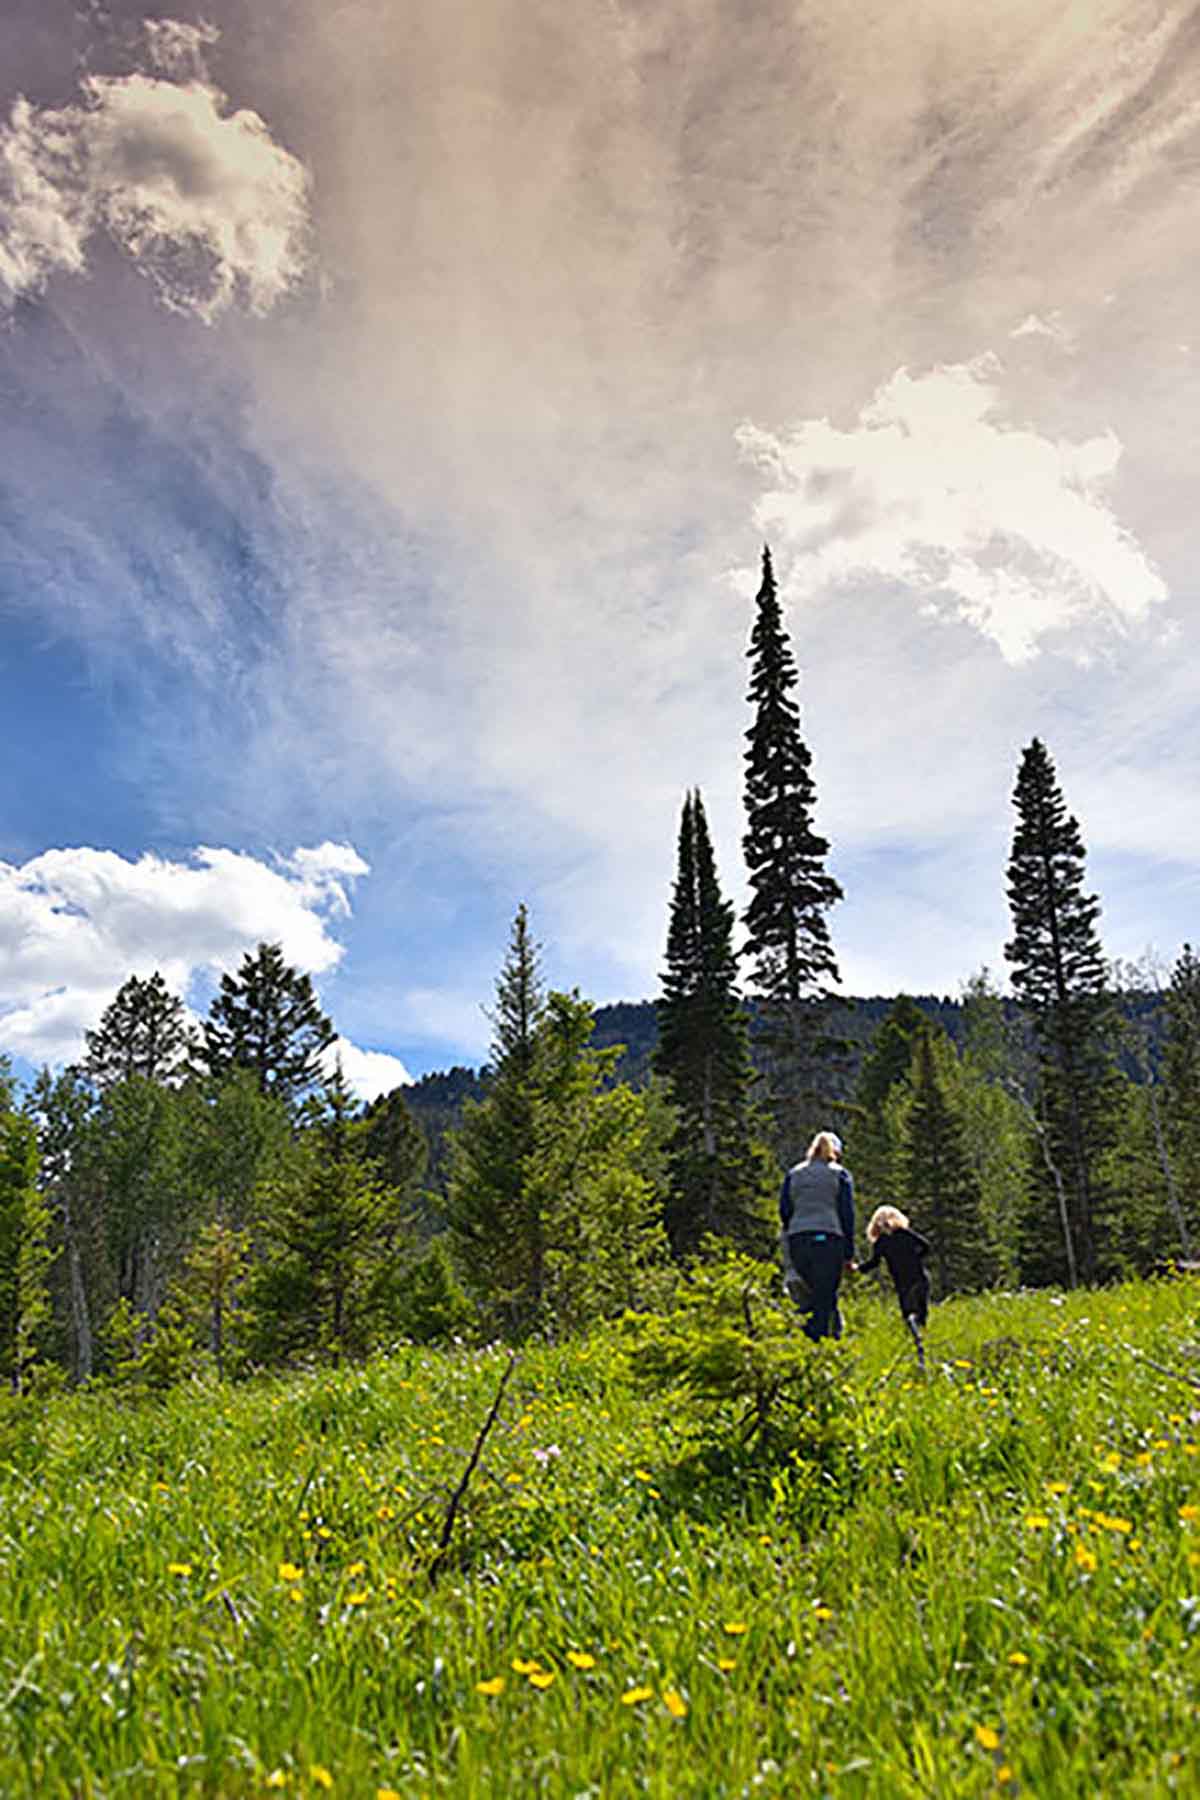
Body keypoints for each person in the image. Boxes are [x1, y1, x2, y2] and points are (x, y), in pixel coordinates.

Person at [779, 1130, 855, 1341]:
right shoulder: (840, 1174)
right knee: (825, 1293)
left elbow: (785, 1210)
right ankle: (823, 1342)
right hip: (829, 1239)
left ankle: (804, 1340)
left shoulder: (794, 1173)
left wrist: (794, 1230)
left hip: (798, 1239)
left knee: (808, 1294)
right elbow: (846, 1214)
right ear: (836, 1153)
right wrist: (848, 1253)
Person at [859, 1204, 931, 1365]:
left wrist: (857, 1269)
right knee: (921, 1314)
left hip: (902, 1283)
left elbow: (873, 1263)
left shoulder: (881, 1242)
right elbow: (926, 1246)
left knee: (908, 1315)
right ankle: (922, 1347)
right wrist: (915, 1259)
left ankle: (916, 1346)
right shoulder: (905, 1234)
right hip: (919, 1277)